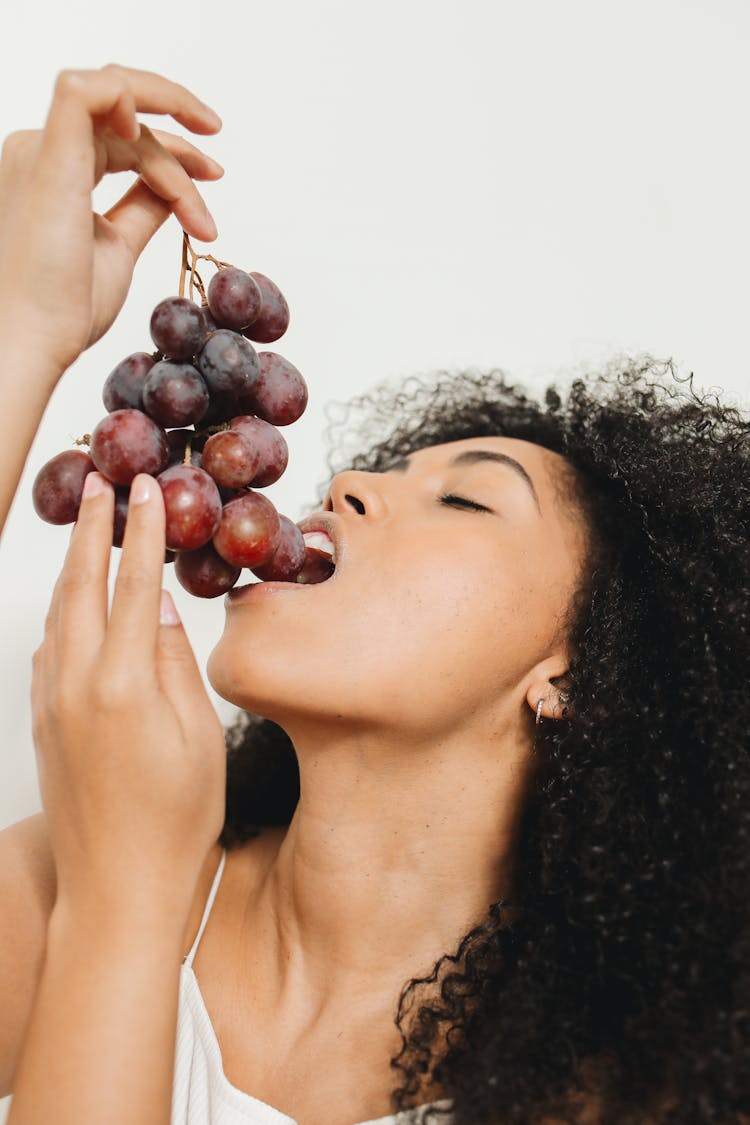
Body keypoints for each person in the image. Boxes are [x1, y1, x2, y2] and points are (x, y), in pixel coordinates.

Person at [0, 65, 747, 1125]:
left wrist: (121, 909)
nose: (344, 485)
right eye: (383, 472)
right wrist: (21, 331)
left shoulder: (628, 1091)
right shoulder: (76, 873)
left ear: (579, 665)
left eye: (469, 502)